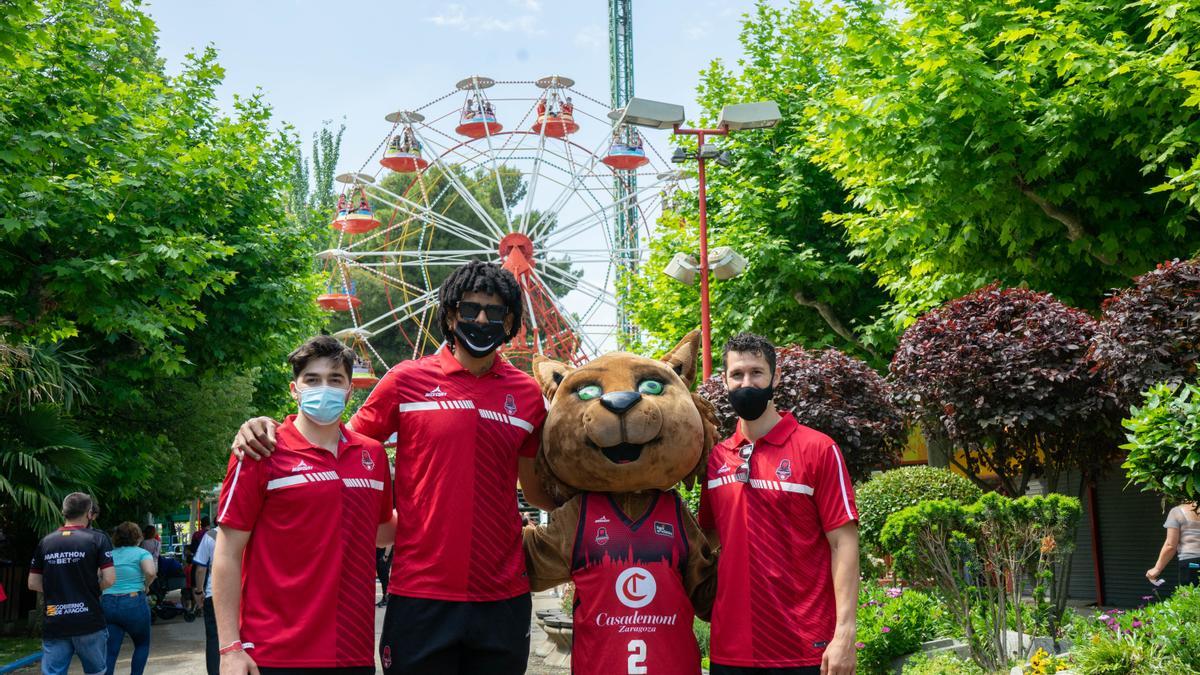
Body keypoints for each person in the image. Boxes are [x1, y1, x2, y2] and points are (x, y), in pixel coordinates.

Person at [232, 261, 554, 675]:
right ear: (450, 314)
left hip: (503, 594)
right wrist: (265, 428)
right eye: (470, 308)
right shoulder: (405, 381)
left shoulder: (527, 395)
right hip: (420, 591)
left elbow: (538, 490)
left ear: (510, 320)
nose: (480, 319)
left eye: (494, 313)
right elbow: (332, 443)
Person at [214, 335, 394, 675]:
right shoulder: (259, 451)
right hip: (274, 653)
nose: (323, 388)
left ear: (349, 391)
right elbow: (227, 552)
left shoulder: (373, 454)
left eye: (335, 380)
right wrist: (229, 648)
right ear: (294, 390)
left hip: (352, 654)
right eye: (312, 380)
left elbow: (383, 532)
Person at [699, 333, 860, 675]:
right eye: (737, 374)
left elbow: (843, 542)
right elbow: (707, 541)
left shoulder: (818, 449)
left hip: (804, 649)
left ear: (776, 376)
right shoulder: (715, 459)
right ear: (725, 381)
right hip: (730, 650)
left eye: (756, 373)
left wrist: (845, 632)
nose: (747, 382)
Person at [28, 492, 116, 675]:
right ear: (89, 513)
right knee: (96, 672)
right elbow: (109, 579)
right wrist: (88, 589)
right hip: (88, 619)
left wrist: (57, 590)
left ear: (63, 511)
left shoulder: (46, 542)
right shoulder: (98, 539)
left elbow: (33, 583)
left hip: (55, 619)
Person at [101, 522, 156, 675]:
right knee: (141, 644)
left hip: (109, 603)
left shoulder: (108, 554)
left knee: (110, 650)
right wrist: (146, 585)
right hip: (134, 602)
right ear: (138, 537)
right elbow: (151, 572)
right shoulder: (141, 553)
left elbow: (99, 575)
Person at [1147, 502, 1200, 587]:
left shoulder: (1177, 512)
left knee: (1191, 598)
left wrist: (1157, 569)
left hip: (1191, 564)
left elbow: (1170, 545)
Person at [192, 526, 218, 675]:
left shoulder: (210, 536)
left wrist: (199, 591)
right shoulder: (248, 532)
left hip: (215, 594)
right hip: (243, 594)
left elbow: (201, 568)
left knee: (214, 638)